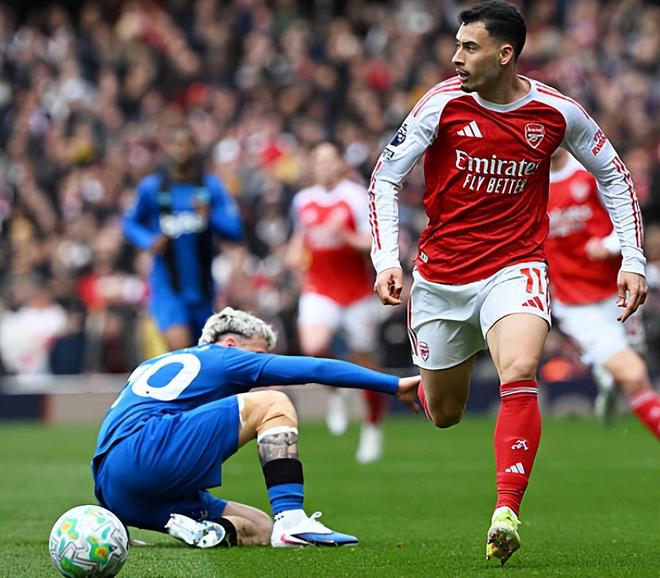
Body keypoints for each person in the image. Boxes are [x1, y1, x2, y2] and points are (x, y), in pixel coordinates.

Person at [368, 0, 647, 565]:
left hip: (516, 267)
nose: (456, 57)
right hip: (441, 279)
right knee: (444, 413)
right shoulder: (441, 103)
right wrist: (385, 258)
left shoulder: (557, 113)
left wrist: (633, 258)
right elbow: (385, 177)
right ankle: (426, 383)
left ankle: (505, 512)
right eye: (456, 45)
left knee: (519, 369)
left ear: (504, 54)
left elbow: (613, 175)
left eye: (469, 47)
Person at [91, 307, 420, 548]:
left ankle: (204, 531)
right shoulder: (224, 356)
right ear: (231, 343)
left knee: (260, 528)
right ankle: (292, 519)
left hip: (115, 491)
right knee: (274, 402)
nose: (260, 366)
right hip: (150, 453)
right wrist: (393, 385)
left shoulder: (153, 364)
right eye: (259, 354)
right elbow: (315, 368)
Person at [546, 148, 659, 438]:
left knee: (635, 359)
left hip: (618, 290)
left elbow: (628, 218)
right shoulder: (529, 183)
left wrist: (607, 246)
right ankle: (610, 372)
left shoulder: (590, 171)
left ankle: (606, 376)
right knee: (634, 374)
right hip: (575, 304)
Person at [286, 142, 388, 463]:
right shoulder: (303, 199)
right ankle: (336, 393)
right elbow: (300, 236)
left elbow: (374, 242)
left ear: (340, 164)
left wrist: (345, 236)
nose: (325, 166)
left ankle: (372, 427)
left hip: (355, 291)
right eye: (319, 161)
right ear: (313, 166)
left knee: (364, 361)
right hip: (319, 286)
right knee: (313, 346)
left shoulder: (356, 196)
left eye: (330, 160)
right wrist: (293, 252)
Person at [123, 124, 243, 351]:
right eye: (175, 144)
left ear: (195, 148)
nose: (181, 150)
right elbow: (129, 223)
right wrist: (149, 241)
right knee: (181, 345)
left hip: (202, 288)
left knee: (202, 351)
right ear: (167, 149)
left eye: (187, 144)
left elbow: (235, 230)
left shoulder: (210, 187)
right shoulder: (152, 188)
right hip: (167, 287)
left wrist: (209, 216)